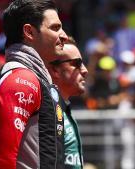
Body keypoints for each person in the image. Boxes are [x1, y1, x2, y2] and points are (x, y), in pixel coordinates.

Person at [0, 0, 68, 168]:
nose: (64, 35)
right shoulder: (22, 80)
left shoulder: (34, 78)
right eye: (55, 28)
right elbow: (2, 159)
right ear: (29, 32)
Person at [47, 36, 88, 169]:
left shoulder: (63, 108)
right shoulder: (45, 111)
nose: (85, 70)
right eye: (77, 63)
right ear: (55, 70)